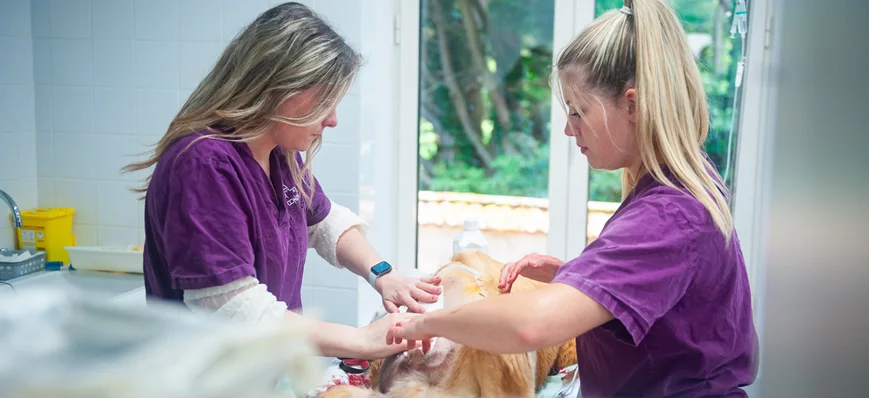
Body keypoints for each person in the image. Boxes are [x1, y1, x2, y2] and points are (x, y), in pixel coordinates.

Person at [386, 0, 759, 396]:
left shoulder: (667, 214)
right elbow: (669, 306)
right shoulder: (685, 181)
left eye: (579, 112)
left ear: (632, 105)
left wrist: (424, 324)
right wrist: (582, 280)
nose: (568, 129)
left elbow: (530, 326)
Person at [123, 2, 441, 360]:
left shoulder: (279, 153)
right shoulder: (203, 164)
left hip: (261, 371)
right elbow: (232, 309)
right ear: (278, 87)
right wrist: (361, 340)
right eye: (325, 101)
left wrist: (384, 275)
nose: (333, 120)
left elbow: (323, 221)